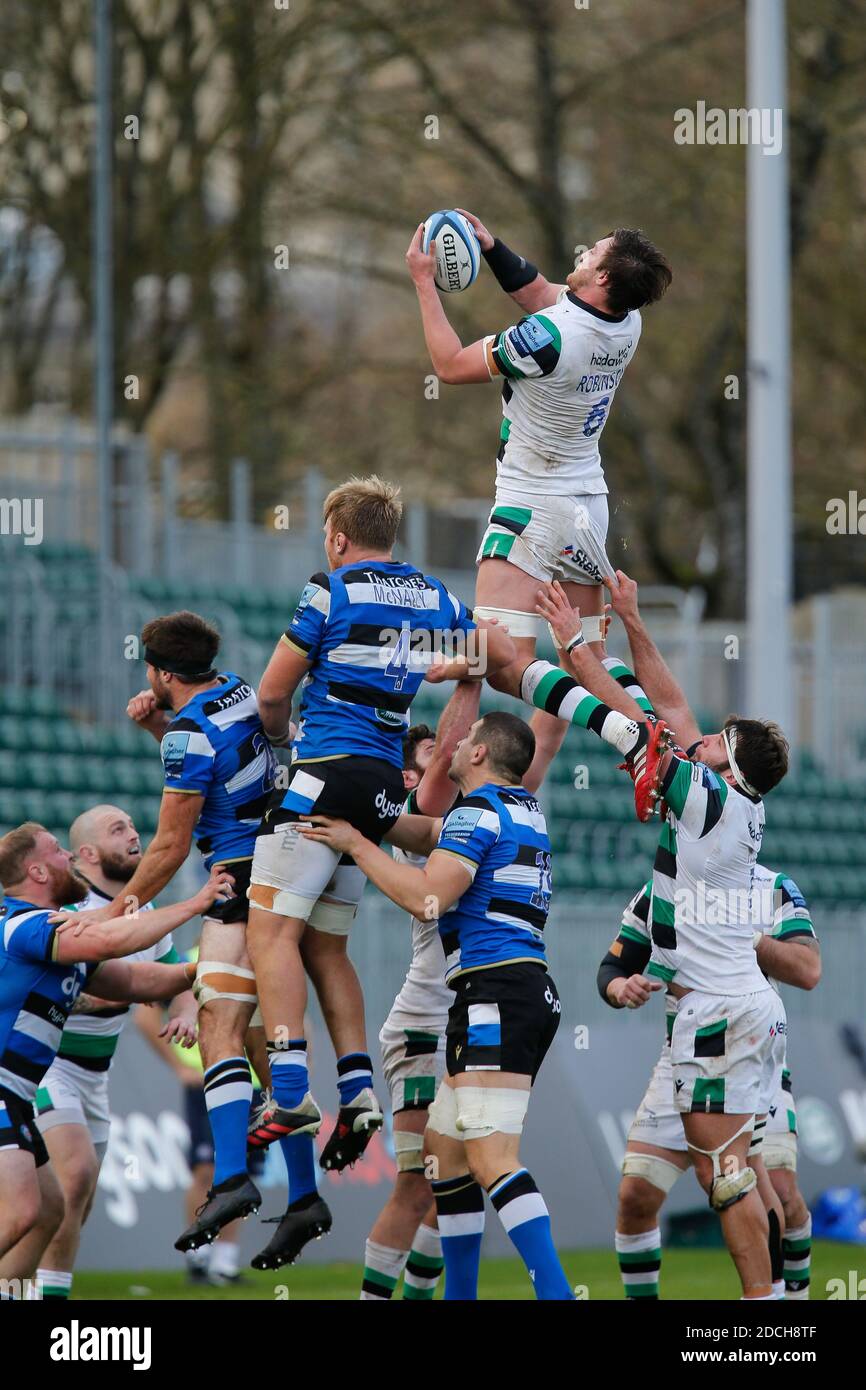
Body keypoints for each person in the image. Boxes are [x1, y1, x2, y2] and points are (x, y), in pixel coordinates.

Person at [244, 476, 515, 1270]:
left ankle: (290, 1080)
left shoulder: (327, 591)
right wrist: (457, 670)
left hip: (321, 768)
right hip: (381, 789)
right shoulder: (432, 594)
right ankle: (358, 1087)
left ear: (336, 536)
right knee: (330, 949)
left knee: (273, 937)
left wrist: (280, 740)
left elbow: (270, 692)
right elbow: (490, 651)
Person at [557, 571, 790, 1299]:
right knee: (648, 1191)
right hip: (716, 1010)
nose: (706, 741)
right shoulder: (731, 796)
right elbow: (674, 707)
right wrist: (625, 615)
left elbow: (641, 722)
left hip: (715, 1011)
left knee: (726, 1179)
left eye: (719, 741)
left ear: (732, 762)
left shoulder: (710, 801)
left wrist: (574, 646)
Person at [405, 210, 673, 811]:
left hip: (532, 507)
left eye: (592, 252)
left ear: (602, 278)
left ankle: (626, 732)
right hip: (587, 508)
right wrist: (492, 246)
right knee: (584, 658)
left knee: (502, 663)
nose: (581, 254)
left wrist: (425, 280)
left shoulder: (552, 337)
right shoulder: (625, 322)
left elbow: (448, 365)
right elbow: (544, 293)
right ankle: (648, 732)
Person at [302, 711, 573, 1301]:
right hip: (508, 991)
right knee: (444, 1162)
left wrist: (354, 843)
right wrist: (371, 817)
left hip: (496, 992)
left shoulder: (478, 812)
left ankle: (555, 1294)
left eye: (466, 736)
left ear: (478, 755)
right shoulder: (517, 807)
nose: (455, 742)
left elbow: (427, 899)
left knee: (492, 1159)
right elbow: (426, 835)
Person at [61, 612, 278, 1252]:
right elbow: (214, 762)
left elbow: (169, 846)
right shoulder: (235, 688)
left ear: (159, 671)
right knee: (261, 1020)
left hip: (238, 876)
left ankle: (236, 1173)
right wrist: (161, 726)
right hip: (284, 863)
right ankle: (297, 1156)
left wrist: (115, 911)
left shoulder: (187, 732)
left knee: (218, 1021)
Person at [0, 823, 229, 1296]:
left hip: (19, 1093)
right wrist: (195, 903)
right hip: (6, 1087)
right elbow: (110, 943)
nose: (68, 857)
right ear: (37, 870)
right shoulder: (24, 924)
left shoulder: (62, 935)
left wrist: (205, 969)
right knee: (23, 1210)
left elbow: (135, 982)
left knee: (48, 1212)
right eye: (58, 852)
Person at [599, 868, 820, 1300]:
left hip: (751, 1055)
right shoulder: (659, 890)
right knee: (635, 1195)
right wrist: (620, 987)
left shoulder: (771, 887)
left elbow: (808, 970)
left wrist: (745, 938)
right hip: (681, 1057)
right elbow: (612, 966)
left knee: (777, 1189)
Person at [31, 804, 196, 1302]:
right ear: (86, 854)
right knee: (73, 1179)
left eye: (131, 825)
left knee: (75, 1205)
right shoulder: (70, 914)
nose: (133, 835)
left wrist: (184, 1010)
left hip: (95, 1078)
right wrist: (130, 990)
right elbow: (67, 992)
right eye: (116, 829)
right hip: (46, 1068)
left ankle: (35, 1289)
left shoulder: (143, 917)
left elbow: (174, 982)